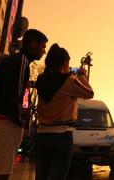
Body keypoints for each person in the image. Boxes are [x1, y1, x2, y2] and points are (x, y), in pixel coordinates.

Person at [0, 29, 48, 180]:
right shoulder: (21, 61)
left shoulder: (10, 60)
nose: (44, 51)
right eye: (42, 46)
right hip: (4, 124)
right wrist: (20, 121)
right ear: (32, 43)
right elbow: (15, 95)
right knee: (1, 173)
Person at [35, 43, 94, 180]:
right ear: (64, 63)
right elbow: (89, 93)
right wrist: (81, 75)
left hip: (42, 135)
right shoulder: (68, 81)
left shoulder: (41, 79)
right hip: (61, 137)